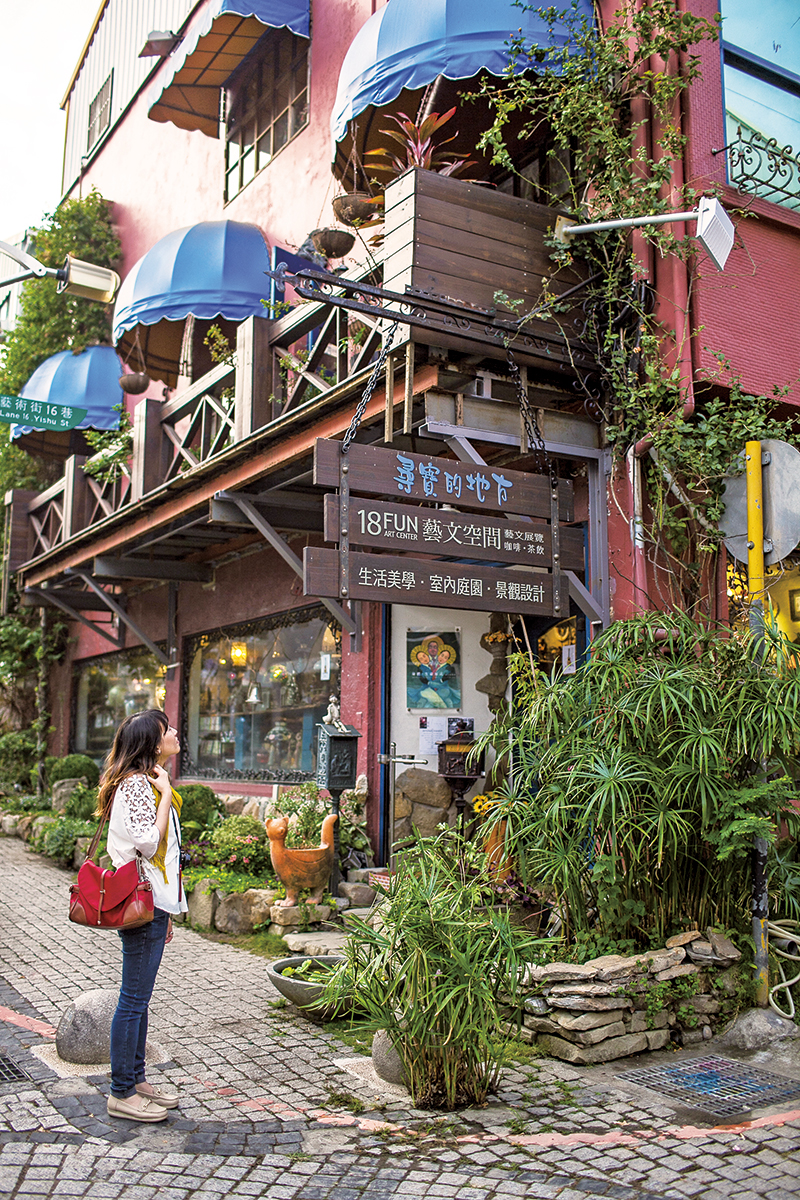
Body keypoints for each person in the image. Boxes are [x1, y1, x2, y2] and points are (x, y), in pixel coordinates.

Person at [98, 709, 187, 1122]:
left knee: (140, 999)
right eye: (167, 729)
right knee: (132, 1000)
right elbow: (149, 846)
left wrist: (168, 911)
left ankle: (136, 1080)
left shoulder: (142, 783)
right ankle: (121, 1091)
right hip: (142, 902)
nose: (174, 732)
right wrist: (166, 792)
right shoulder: (138, 785)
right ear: (152, 744)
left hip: (154, 904)